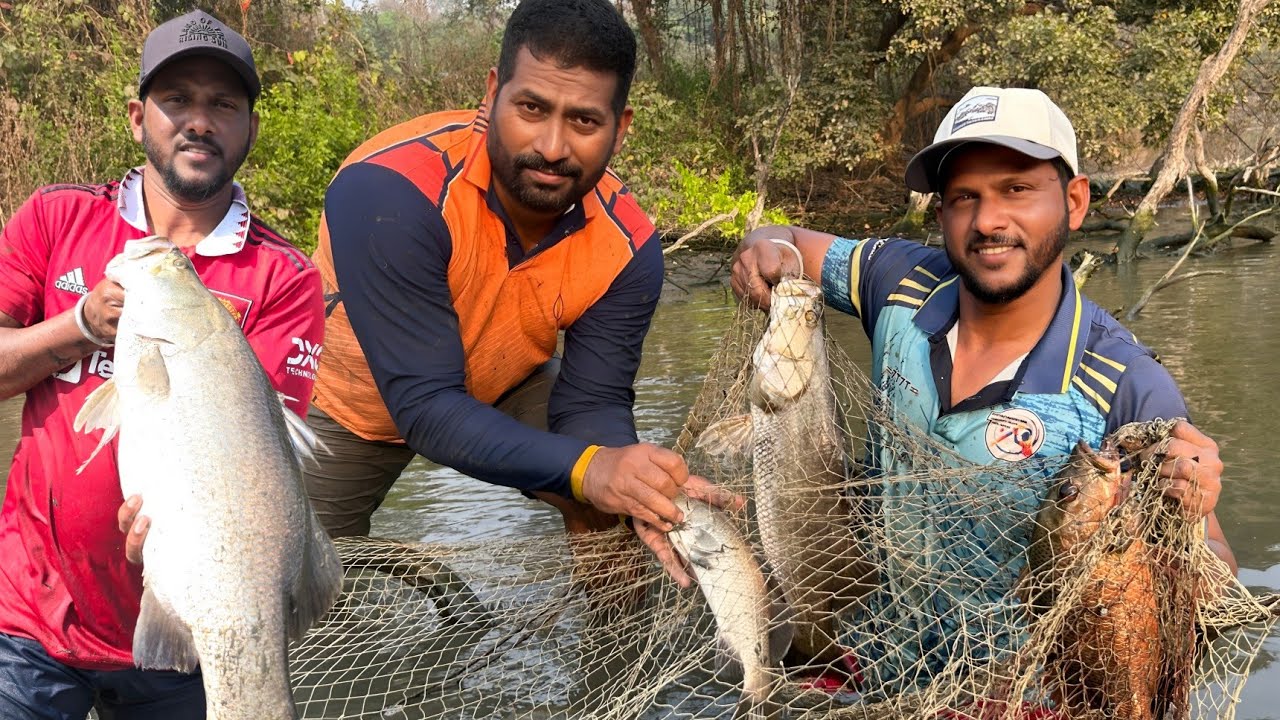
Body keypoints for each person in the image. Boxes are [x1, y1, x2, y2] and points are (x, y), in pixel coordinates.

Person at [731, 86, 1235, 694]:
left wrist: (1188, 509)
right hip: (863, 661)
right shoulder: (899, 280)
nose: (988, 221)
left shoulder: (1125, 384)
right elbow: (785, 240)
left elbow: (1219, 594)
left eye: (1017, 189)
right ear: (940, 214)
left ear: (1075, 201)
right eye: (964, 197)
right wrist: (767, 250)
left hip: (1019, 694)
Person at [306, 0, 726, 584]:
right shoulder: (391, 192)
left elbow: (593, 402)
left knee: (614, 503)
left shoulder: (628, 246)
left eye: (584, 121)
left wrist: (616, 474)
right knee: (298, 583)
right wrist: (588, 469)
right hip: (348, 403)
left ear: (620, 128)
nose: (552, 147)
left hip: (505, 381)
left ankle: (611, 644)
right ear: (492, 93)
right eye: (531, 108)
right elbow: (425, 405)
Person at [0, 10, 324, 718]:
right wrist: (80, 326)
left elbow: (258, 462)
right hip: (26, 616)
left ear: (251, 129)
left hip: (193, 629)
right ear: (136, 118)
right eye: (177, 100)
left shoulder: (286, 277)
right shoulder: (55, 218)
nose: (198, 122)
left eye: (223, 105)